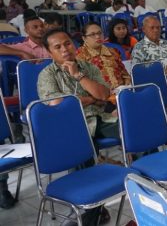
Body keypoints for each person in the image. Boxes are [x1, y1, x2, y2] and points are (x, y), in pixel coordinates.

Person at [37, 29, 118, 223]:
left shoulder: (87, 68)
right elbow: (57, 104)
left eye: (67, 44)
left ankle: (151, 188)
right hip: (71, 125)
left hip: (100, 119)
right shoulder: (47, 75)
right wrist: (91, 99)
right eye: (58, 47)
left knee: (136, 131)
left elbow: (103, 94)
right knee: (83, 155)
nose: (65, 49)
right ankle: (90, 211)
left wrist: (78, 76)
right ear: (49, 53)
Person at [76, 22, 131, 91]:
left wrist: (126, 85)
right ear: (84, 38)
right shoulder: (80, 55)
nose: (98, 36)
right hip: (100, 95)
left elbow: (125, 74)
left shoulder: (112, 51)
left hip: (121, 91)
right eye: (93, 34)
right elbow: (82, 82)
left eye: (100, 33)